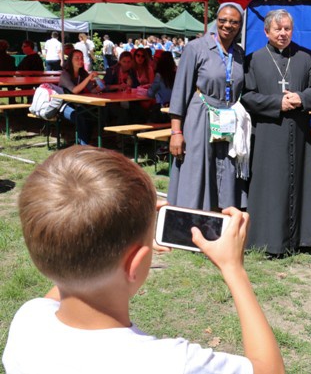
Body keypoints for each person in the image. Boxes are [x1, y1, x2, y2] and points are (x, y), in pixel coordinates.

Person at [2, 146, 285, 374]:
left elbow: (69, 269)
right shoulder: (174, 363)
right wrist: (233, 269)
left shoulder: (27, 321)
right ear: (135, 265)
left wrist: (125, 237)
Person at [242, 9, 311, 256]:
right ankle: (267, 241)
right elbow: (247, 95)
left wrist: (300, 98)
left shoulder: (304, 58)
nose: (283, 33)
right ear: (267, 31)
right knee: (269, 185)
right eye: (278, 29)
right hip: (268, 132)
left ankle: (300, 239)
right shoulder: (254, 59)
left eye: (287, 28)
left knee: (298, 181)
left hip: (297, 133)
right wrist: (278, 103)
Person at [168, 2, 248, 211]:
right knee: (197, 169)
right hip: (200, 115)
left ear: (240, 26)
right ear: (216, 20)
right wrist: (176, 131)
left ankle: (220, 216)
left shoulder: (239, 54)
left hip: (227, 118)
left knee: (225, 167)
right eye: (223, 20)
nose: (227, 25)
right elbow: (180, 92)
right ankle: (190, 220)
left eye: (233, 22)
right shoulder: (195, 48)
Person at [58, 50, 101, 145]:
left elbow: (92, 90)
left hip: (79, 104)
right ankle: (84, 146)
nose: (80, 60)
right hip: (64, 105)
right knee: (79, 117)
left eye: (81, 58)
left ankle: (86, 142)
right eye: (77, 58)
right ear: (70, 60)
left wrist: (99, 85)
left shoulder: (83, 73)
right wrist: (88, 78)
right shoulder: (65, 74)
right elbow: (74, 90)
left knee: (92, 116)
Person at [147, 51, 176, 122]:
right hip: (175, 110)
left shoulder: (159, 76)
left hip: (163, 112)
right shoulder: (177, 75)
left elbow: (150, 93)